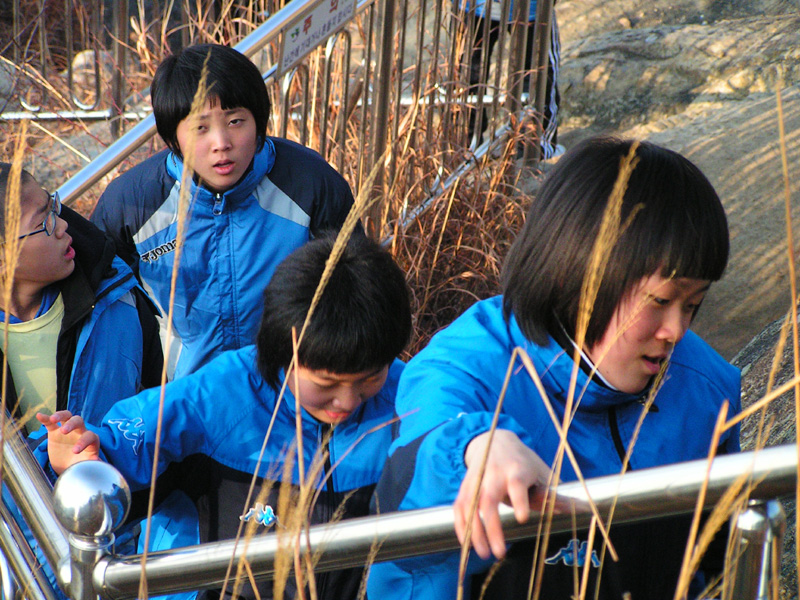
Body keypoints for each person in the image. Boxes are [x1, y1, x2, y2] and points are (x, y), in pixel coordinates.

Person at [367, 137, 741, 599]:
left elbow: (718, 566)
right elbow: (426, 443)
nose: (675, 330)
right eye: (661, 301)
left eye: (693, 305)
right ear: (578, 272)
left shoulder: (707, 388)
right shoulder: (470, 362)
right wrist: (479, 444)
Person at [38, 232, 412, 600]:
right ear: (281, 349)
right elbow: (126, 441)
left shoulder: (410, 399)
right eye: (326, 382)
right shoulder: (224, 393)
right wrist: (86, 453)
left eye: (368, 378)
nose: (346, 402)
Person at [91, 43, 356, 379]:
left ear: (259, 123)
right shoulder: (131, 204)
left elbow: (350, 289)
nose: (221, 142)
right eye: (200, 128)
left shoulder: (309, 183)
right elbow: (107, 314)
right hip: (182, 395)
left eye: (235, 121)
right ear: (173, 135)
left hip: (291, 392)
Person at [0, 164, 197, 600]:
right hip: (21, 560)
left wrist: (99, 448)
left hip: (125, 539)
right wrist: (49, 460)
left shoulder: (117, 301)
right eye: (43, 223)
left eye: (54, 204)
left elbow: (155, 427)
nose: (63, 223)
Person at [465, 0, 560, 158]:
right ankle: (467, 147)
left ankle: (532, 150)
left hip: (528, 9)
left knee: (537, 74)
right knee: (468, 74)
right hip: (476, 8)